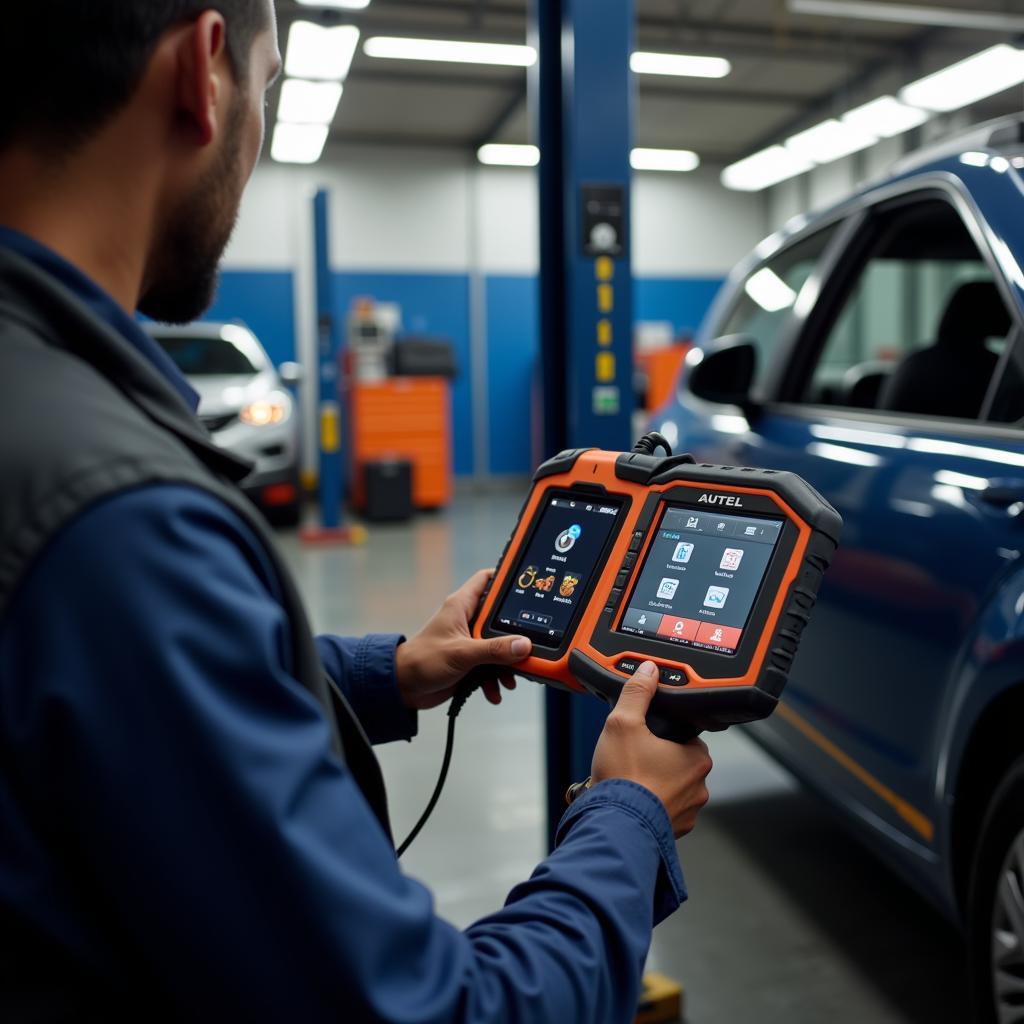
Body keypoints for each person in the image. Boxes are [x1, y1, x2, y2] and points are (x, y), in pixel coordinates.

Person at [0, 2, 713, 1021]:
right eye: (271, 88)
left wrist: (386, 676)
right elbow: (428, 1011)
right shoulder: (115, 520)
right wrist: (628, 820)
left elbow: (106, 696)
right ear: (205, 74)